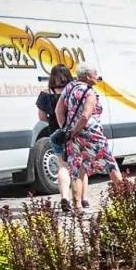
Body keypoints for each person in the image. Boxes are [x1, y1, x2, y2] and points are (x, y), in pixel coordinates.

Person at [55, 63, 125, 217]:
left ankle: (78, 207)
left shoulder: (69, 87)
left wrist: (66, 128)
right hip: (91, 133)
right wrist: (76, 129)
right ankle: (125, 198)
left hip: (73, 136)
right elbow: (86, 116)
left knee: (77, 168)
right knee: (109, 163)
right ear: (87, 75)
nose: (97, 76)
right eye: (95, 73)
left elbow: (58, 110)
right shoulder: (90, 92)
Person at [37, 64, 73, 211]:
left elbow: (41, 117)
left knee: (62, 166)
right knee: (77, 166)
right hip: (74, 132)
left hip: (55, 133)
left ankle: (65, 197)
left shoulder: (45, 94)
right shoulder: (72, 91)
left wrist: (53, 122)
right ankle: (81, 200)